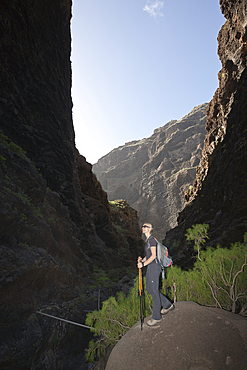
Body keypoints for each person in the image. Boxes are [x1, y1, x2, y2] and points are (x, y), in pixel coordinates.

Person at [137, 223, 175, 326]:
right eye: (143, 226)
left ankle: (157, 317)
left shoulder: (152, 239)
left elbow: (154, 256)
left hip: (155, 266)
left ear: (150, 229)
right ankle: (167, 305)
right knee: (150, 289)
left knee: (153, 290)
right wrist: (142, 260)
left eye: (146, 226)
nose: (143, 228)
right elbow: (148, 255)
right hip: (150, 266)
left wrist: (143, 264)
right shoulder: (148, 241)